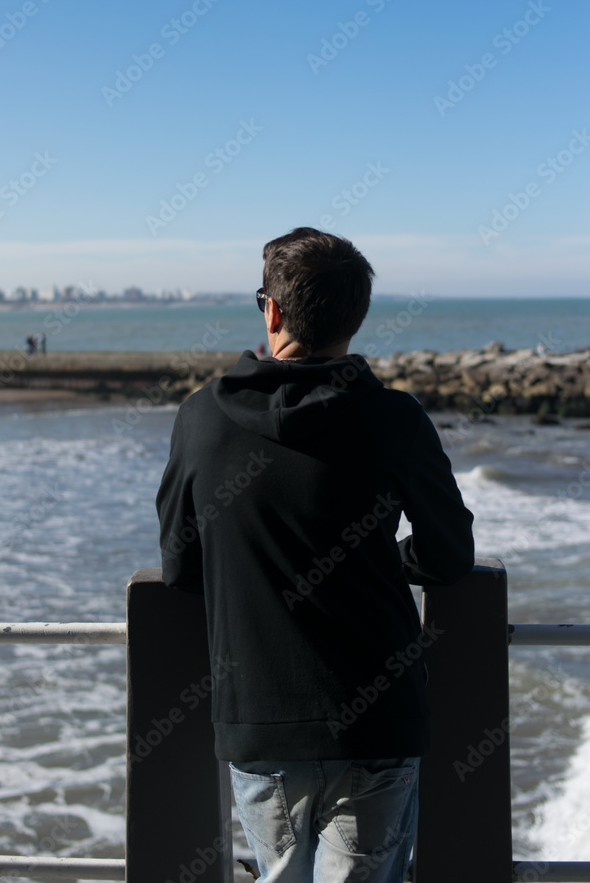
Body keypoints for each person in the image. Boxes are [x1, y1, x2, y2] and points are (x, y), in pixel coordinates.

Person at [157, 228, 474, 883]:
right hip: (376, 720)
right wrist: (383, 559)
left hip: (259, 719)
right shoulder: (395, 419)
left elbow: (181, 566)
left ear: (271, 310)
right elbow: (449, 556)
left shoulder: (201, 418)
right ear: (355, 318)